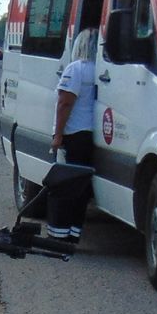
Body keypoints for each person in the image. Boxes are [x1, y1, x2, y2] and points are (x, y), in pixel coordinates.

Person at [47, 28, 99, 248]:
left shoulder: (76, 69)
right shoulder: (98, 70)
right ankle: (75, 231)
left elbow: (65, 103)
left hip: (74, 133)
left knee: (67, 185)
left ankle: (59, 233)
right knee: (82, 186)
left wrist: (57, 134)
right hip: (90, 134)